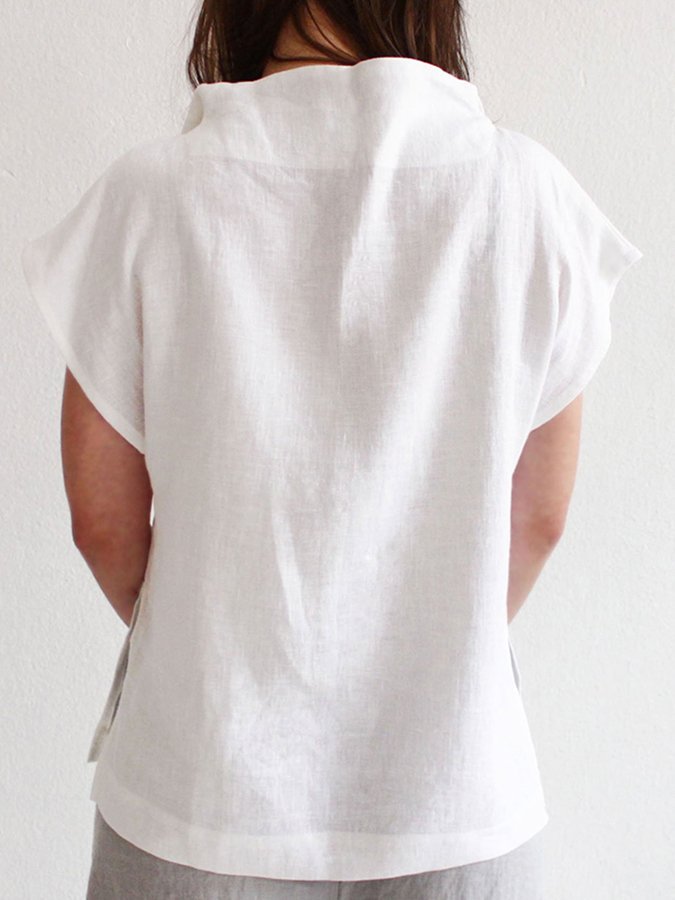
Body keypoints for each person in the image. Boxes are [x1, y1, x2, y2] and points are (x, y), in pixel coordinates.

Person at [21, 0, 643, 897]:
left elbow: (102, 522)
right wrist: (420, 635)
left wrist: (222, 642)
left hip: (196, 794)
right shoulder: (525, 193)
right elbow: (538, 518)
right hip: (453, 799)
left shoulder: (150, 195)